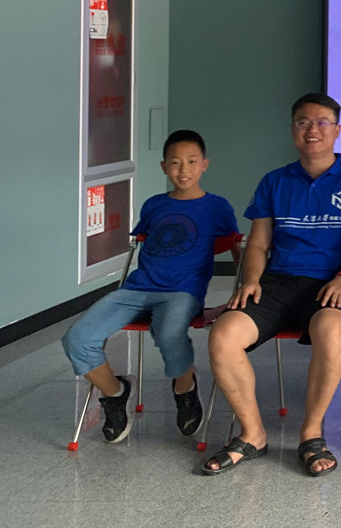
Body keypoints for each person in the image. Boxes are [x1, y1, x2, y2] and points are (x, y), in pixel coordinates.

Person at [202, 94, 341, 476]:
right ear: (292, 129)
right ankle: (253, 434)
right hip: (277, 283)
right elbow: (258, 244)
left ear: (338, 130)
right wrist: (250, 280)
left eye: (322, 123)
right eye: (303, 122)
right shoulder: (274, 181)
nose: (312, 130)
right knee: (223, 337)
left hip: (331, 284)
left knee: (331, 333)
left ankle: (311, 435)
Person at [62, 130, 237, 443]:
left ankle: (185, 388)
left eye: (191, 161)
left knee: (168, 332)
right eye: (175, 162)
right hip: (137, 289)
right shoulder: (154, 205)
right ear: (163, 167)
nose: (183, 169)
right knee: (78, 338)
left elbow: (237, 247)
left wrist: (244, 288)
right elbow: (144, 241)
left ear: (204, 164)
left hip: (182, 292)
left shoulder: (218, 207)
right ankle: (115, 393)